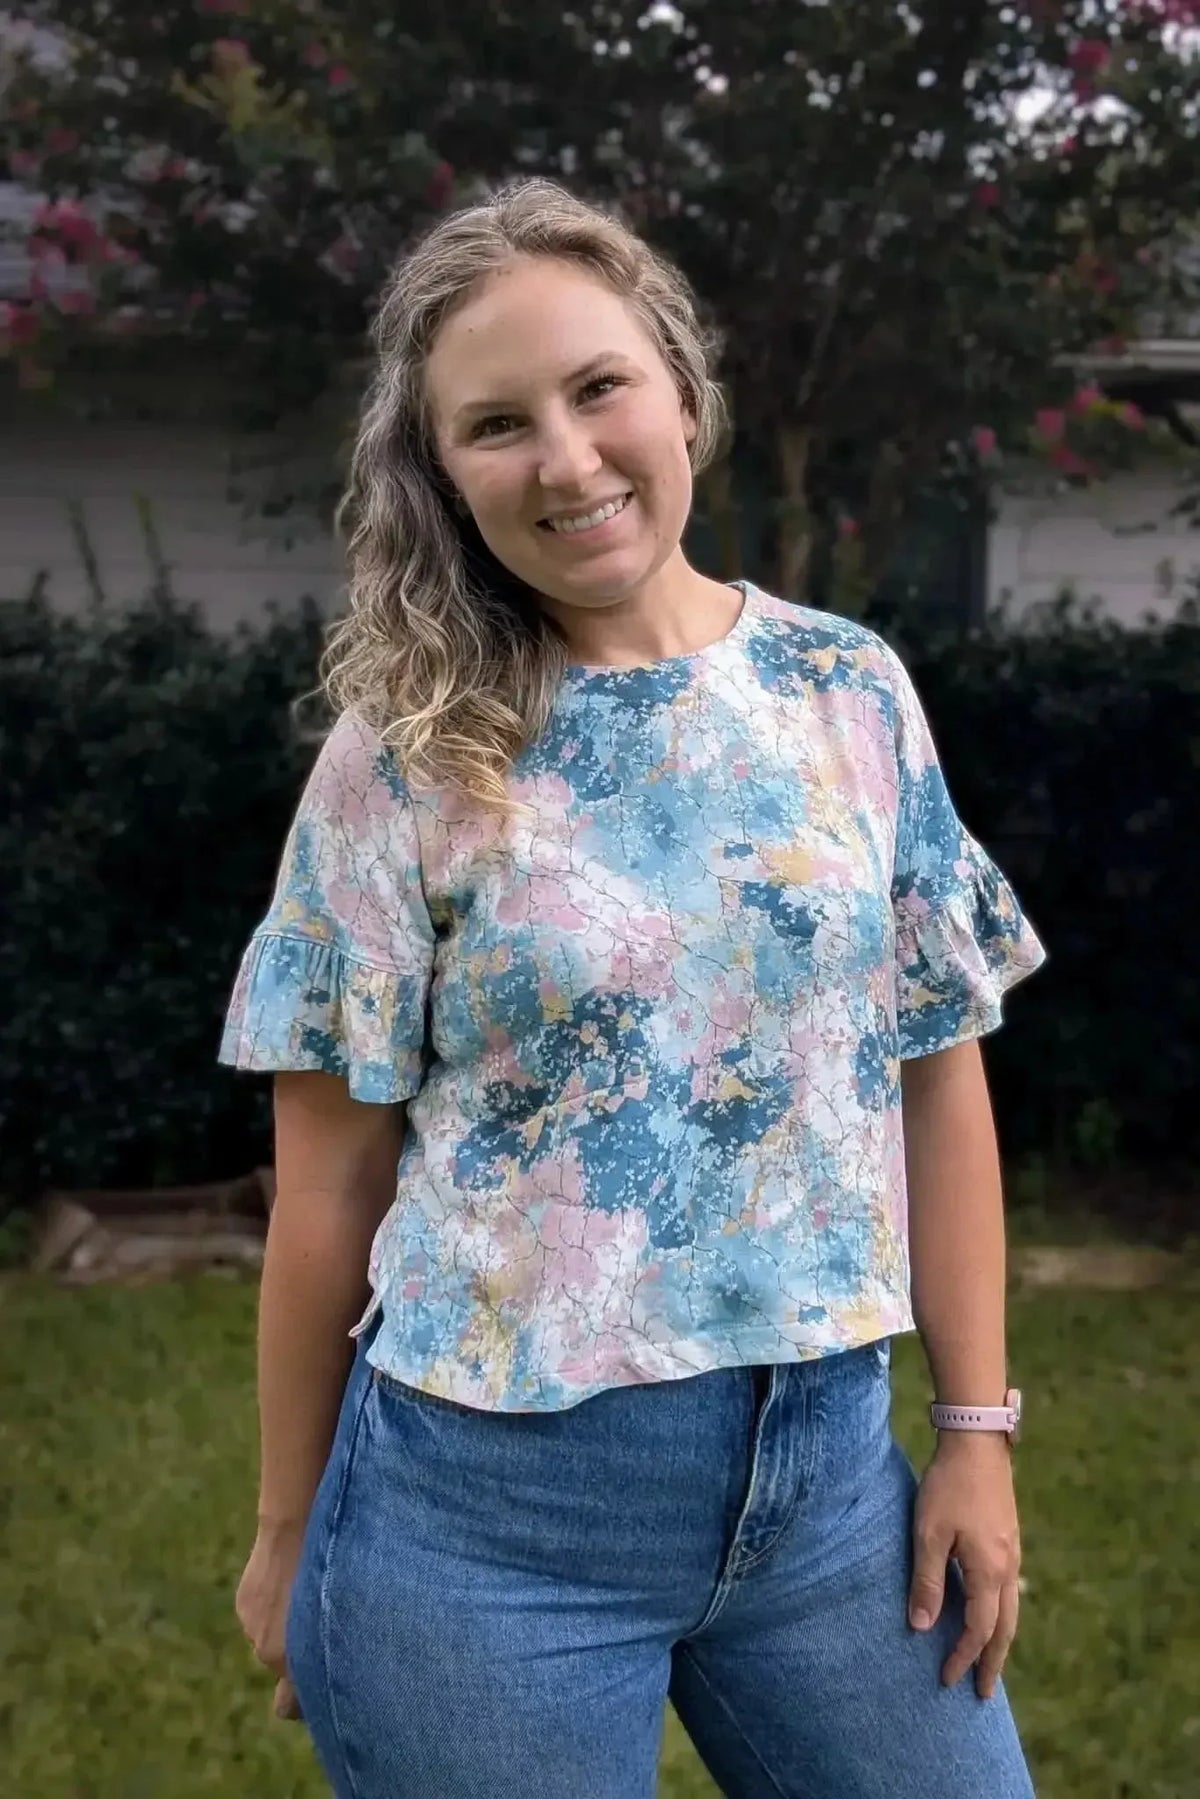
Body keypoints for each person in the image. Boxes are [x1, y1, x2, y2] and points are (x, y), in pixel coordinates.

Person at [222, 177, 1047, 1799]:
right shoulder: (403, 759)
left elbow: (938, 1079)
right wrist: (285, 1524)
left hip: (831, 1508)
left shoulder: (846, 688)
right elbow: (326, 1182)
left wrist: (975, 1435)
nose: (569, 458)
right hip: (487, 1538)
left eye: (599, 387)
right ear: (443, 473)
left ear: (680, 386)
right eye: (498, 424)